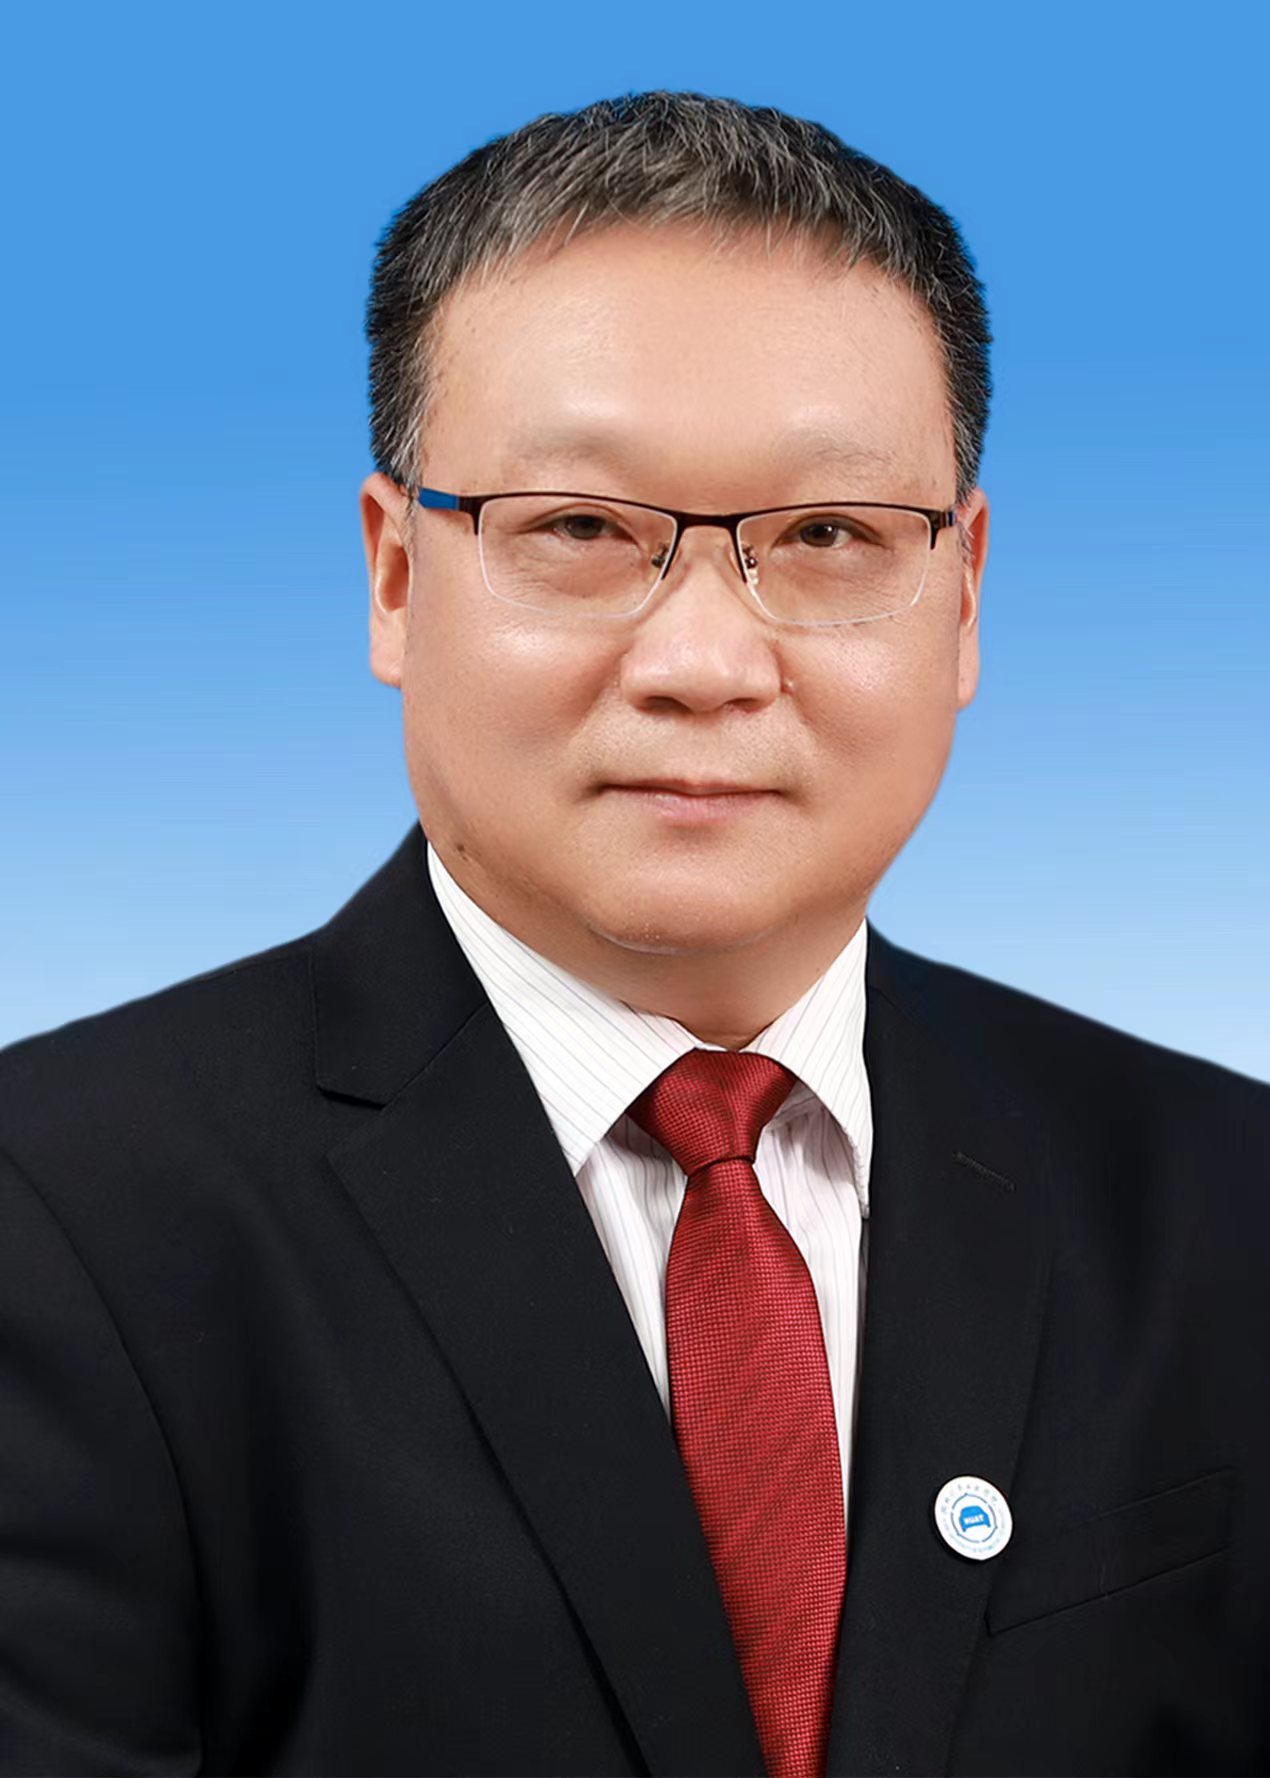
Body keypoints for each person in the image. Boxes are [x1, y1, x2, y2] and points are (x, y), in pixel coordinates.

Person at [0, 90, 1266, 1778]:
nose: (703, 663)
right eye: (583, 530)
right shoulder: (55, 1218)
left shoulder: (1218, 1196)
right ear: (393, 577)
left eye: (826, 537)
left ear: (963, 596)